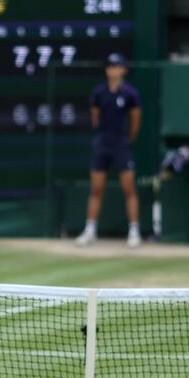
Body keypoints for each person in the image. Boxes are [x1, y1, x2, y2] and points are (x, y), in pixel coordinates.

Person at [74, 53, 142, 248]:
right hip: (102, 143)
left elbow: (136, 120)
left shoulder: (131, 94)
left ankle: (134, 231)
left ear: (123, 69)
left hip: (121, 144)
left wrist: (127, 139)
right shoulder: (98, 93)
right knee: (96, 188)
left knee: (129, 188)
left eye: (116, 66)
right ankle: (90, 230)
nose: (112, 69)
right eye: (109, 66)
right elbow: (95, 118)